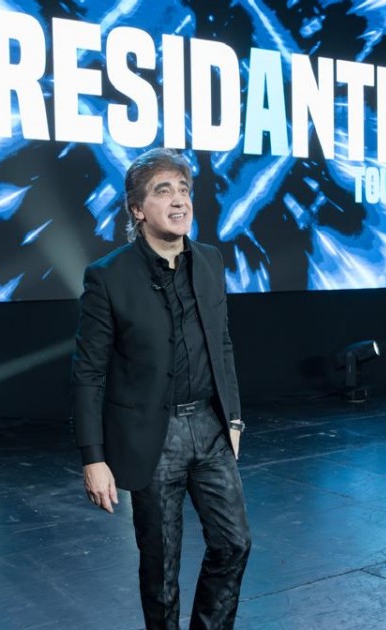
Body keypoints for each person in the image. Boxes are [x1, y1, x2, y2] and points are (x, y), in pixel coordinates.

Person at [71, 148, 251, 630]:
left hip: (210, 428)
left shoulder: (210, 260)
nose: (179, 201)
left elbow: (222, 343)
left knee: (234, 544)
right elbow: (89, 372)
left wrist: (233, 418)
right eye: (163, 191)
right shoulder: (108, 276)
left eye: (184, 190)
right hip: (152, 436)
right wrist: (93, 458)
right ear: (137, 209)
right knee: (161, 570)